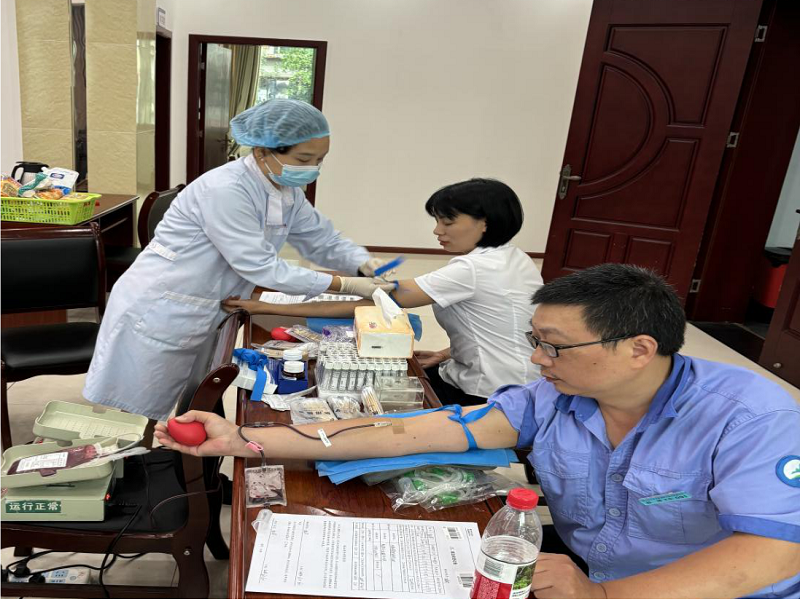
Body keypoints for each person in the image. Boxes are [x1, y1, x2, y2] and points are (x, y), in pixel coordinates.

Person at [157, 263, 800, 598]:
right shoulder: (557, 397)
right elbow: (415, 432)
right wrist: (245, 441)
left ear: (639, 348)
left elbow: (773, 553)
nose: (537, 361)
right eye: (534, 341)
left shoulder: (753, 419)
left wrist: (605, 597)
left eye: (554, 346)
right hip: (582, 573)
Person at [84, 99, 394, 421]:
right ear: (261, 151)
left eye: (320, 160)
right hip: (163, 306)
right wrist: (344, 284)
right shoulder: (225, 190)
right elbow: (261, 267)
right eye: (304, 159)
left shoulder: (285, 191)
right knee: (136, 413)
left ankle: (172, 449)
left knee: (190, 402)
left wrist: (363, 263)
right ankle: (131, 454)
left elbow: (321, 238)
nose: (312, 168)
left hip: (205, 304)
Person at [224, 178, 543, 405]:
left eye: (447, 221)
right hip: (512, 380)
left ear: (484, 223)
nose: (437, 230)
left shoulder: (473, 269)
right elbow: (504, 328)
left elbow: (375, 300)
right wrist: (448, 354)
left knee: (365, 404)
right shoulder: (513, 257)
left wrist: (264, 306)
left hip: (489, 393)